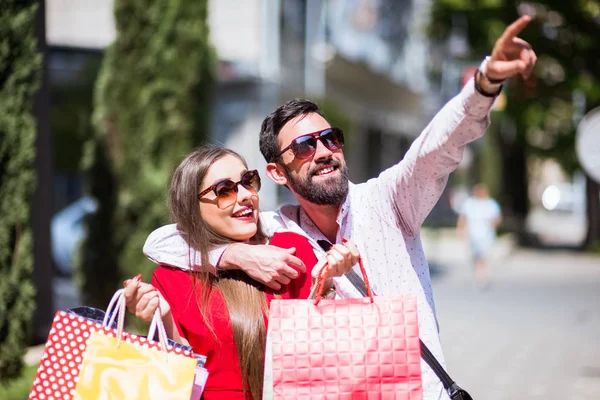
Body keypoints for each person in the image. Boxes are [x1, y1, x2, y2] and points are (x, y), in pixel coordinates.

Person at [143, 16, 537, 399]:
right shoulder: (277, 231)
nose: (323, 152)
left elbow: (434, 151)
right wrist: (237, 254)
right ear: (278, 173)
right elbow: (164, 241)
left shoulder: (389, 201)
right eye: (304, 146)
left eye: (330, 138)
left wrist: (484, 85)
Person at [124, 145, 359, 400]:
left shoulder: (290, 250)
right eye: (224, 190)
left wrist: (322, 287)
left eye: (248, 181)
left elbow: (315, 354)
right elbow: (179, 380)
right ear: (193, 207)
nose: (245, 195)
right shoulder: (171, 275)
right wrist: (163, 316)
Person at [457, 183, 501, 288]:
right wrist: (460, 229)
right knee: (477, 256)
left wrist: (493, 224)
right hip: (473, 234)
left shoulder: (490, 204)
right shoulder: (470, 203)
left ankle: (483, 275)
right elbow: (463, 218)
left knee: (485, 256)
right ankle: (480, 274)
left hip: (487, 234)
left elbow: (497, 218)